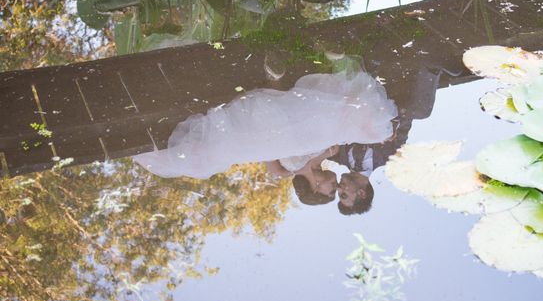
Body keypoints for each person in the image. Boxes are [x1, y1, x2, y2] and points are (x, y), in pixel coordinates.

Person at [134, 71, 398, 188]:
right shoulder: (329, 157)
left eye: (330, 193)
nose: (334, 188)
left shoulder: (289, 172)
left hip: (278, 133)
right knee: (330, 113)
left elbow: (268, 153)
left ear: (316, 189)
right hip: (295, 130)